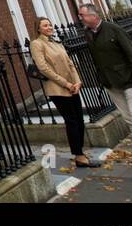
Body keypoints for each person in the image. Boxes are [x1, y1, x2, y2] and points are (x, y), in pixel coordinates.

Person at [79, 4, 132, 178]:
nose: (81, 18)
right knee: (130, 121)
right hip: (111, 83)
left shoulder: (114, 30)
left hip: (130, 81)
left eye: (83, 15)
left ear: (94, 15)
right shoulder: (88, 34)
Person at [29, 17, 100, 169]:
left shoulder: (57, 43)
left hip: (72, 86)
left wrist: (77, 81)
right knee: (72, 121)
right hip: (58, 89)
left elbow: (70, 63)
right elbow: (43, 68)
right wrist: (66, 84)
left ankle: (79, 152)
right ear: (38, 29)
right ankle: (79, 155)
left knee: (79, 120)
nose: (49, 27)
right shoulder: (37, 44)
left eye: (50, 24)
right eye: (45, 25)